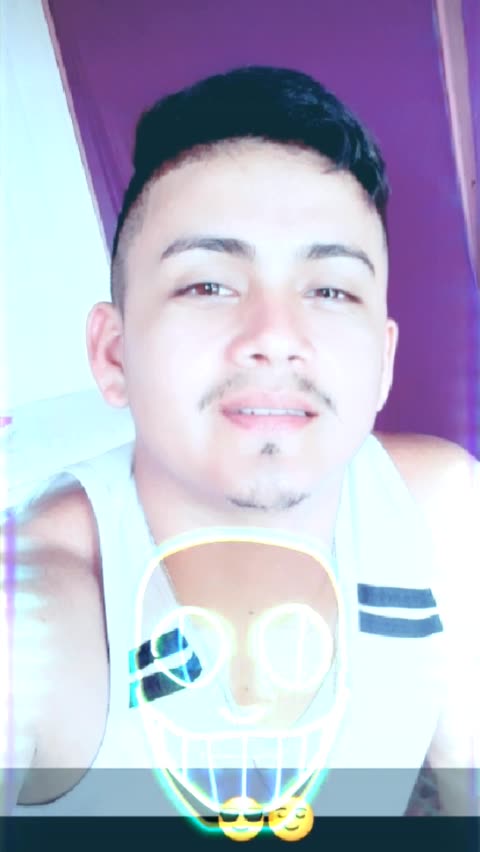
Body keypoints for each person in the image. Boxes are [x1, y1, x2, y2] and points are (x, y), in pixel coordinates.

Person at [3, 65, 479, 818]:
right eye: (208, 285)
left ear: (384, 363)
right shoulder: (39, 603)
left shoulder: (437, 509)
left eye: (331, 290)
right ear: (114, 355)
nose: (276, 336)